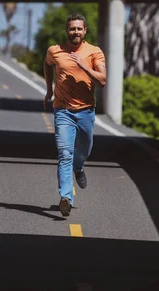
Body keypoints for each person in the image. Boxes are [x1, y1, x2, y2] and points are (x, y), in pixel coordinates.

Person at [43, 13, 107, 217]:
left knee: (84, 149)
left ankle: (79, 168)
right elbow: (47, 64)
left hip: (86, 111)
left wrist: (83, 65)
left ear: (85, 30)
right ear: (67, 31)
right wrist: (48, 89)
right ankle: (65, 198)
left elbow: (103, 79)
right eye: (72, 29)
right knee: (64, 154)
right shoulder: (55, 51)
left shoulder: (94, 52)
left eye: (79, 29)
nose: (76, 32)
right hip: (63, 111)